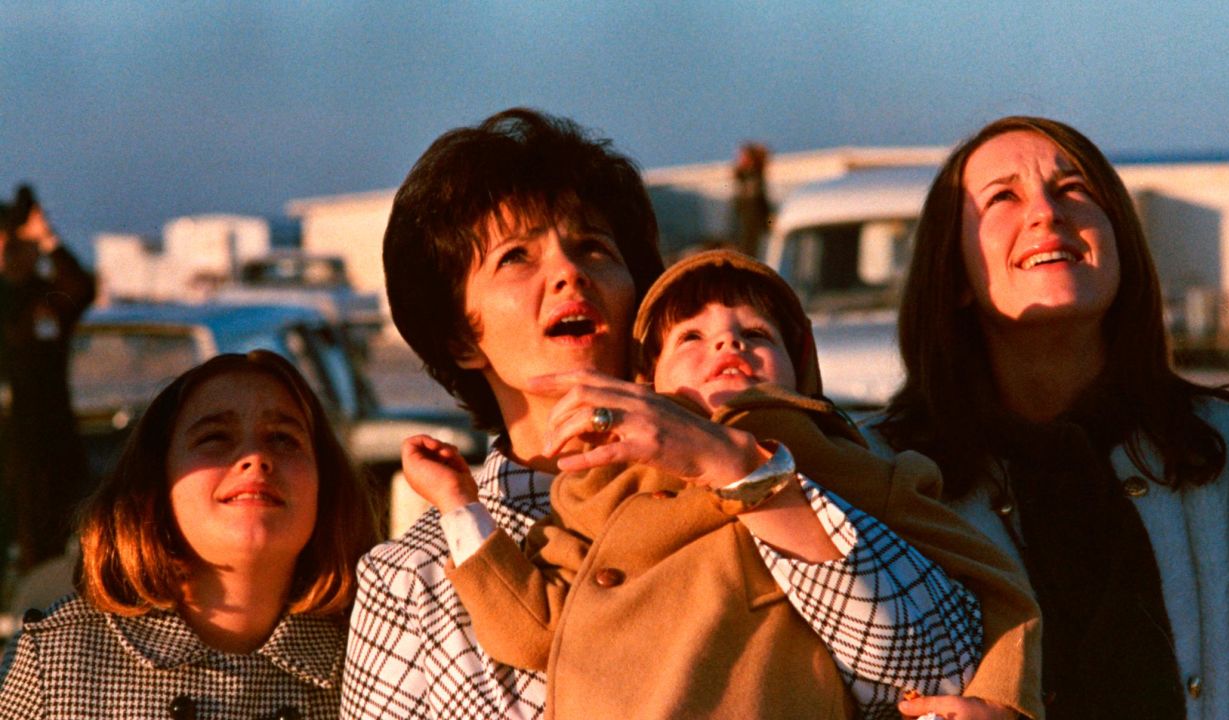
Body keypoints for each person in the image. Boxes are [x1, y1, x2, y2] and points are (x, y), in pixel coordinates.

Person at [343, 108, 998, 720]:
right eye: (516, 257)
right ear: (460, 335)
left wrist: (739, 473)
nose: (570, 273)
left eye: (594, 247)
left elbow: (945, 671)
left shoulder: (798, 474)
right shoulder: (411, 579)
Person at [404, 249, 1043, 719]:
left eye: (757, 334)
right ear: (646, 380)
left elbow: (995, 586)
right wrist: (461, 506)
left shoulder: (845, 463)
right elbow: (530, 631)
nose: (728, 342)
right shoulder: (597, 492)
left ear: (802, 371)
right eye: (691, 337)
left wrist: (1003, 703)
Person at [866, 115, 1229, 719]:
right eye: (1003, 196)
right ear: (952, 273)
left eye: (1073, 190)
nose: (1046, 213)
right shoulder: (884, 478)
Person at [0, 351, 379, 718]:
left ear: (324, 486)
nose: (255, 457)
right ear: (158, 482)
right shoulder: (57, 659)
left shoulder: (380, 660)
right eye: (215, 437)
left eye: (283, 438)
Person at [0, 186, 97, 576]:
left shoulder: (45, 299)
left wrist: (46, 237)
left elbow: (81, 287)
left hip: (43, 446)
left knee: (42, 552)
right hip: (6, 444)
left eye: (17, 245)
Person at [732, 142, 770, 257]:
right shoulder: (745, 177)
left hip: (754, 226)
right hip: (746, 226)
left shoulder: (754, 177)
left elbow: (762, 205)